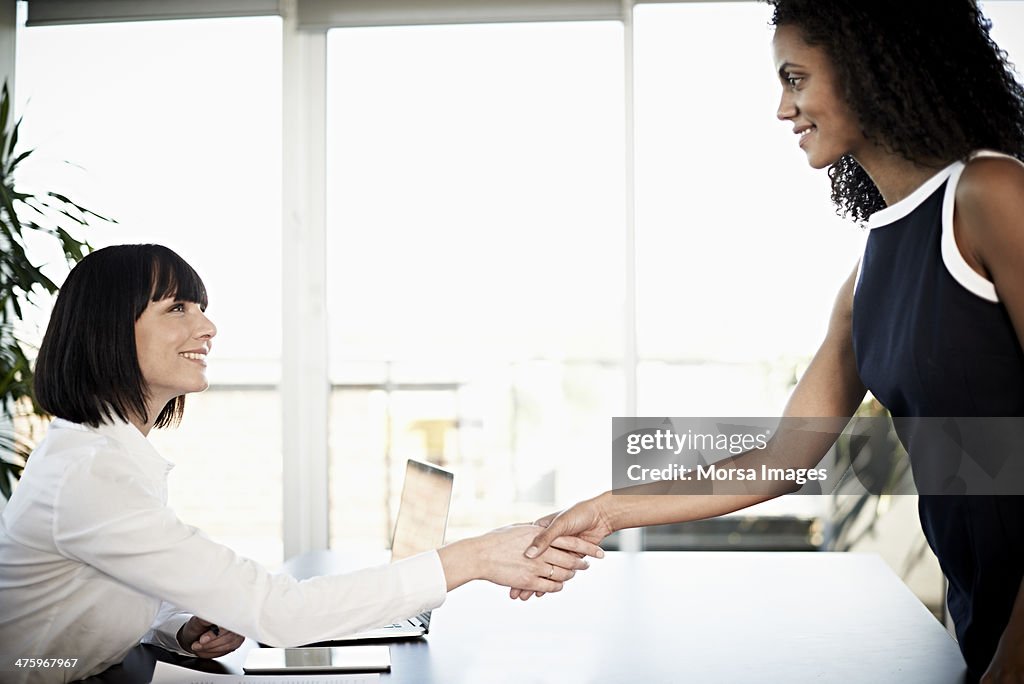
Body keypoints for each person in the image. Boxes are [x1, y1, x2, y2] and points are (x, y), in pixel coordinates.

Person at [516, 1, 1024, 682]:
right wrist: (606, 509)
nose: (785, 109)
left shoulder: (993, 194)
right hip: (981, 620)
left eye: (796, 79)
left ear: (872, 74)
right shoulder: (874, 264)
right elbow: (782, 456)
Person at [0, 244, 601, 683]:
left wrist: (178, 623)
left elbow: (102, 585)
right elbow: (278, 612)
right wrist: (472, 558)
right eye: (178, 309)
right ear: (108, 329)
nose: (207, 327)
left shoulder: (100, 453)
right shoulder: (93, 473)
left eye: (201, 308)